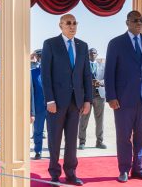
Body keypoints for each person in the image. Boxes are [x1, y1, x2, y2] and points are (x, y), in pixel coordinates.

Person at [105, 10, 142, 183]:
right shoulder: (116, 43)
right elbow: (109, 72)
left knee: (140, 136)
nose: (139, 23)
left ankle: (138, 169)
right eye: (135, 20)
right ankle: (124, 169)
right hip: (123, 99)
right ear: (127, 22)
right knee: (123, 136)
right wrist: (111, 96)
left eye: (141, 20)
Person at [41, 14, 92, 186]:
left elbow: (86, 75)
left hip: (76, 102)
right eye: (68, 23)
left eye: (74, 23)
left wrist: (87, 100)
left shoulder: (82, 46)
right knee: (55, 139)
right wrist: (49, 100)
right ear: (60, 25)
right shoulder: (50, 44)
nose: (72, 26)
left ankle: (71, 173)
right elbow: (45, 74)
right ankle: (54, 173)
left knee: (71, 140)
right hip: (56, 102)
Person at [78, 48, 107, 150]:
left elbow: (107, 78)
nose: (93, 54)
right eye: (91, 53)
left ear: (97, 54)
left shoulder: (102, 66)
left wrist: (100, 82)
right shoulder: (83, 66)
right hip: (87, 97)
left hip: (99, 96)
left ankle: (99, 141)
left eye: (94, 53)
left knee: (100, 120)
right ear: (88, 54)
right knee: (83, 120)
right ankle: (82, 142)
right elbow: (79, 79)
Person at [30, 49, 47, 160]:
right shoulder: (32, 72)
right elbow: (31, 93)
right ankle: (38, 151)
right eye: (39, 57)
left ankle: (53, 152)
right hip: (39, 107)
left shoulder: (53, 72)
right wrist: (32, 111)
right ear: (37, 58)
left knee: (54, 131)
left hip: (53, 107)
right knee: (38, 131)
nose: (41, 60)